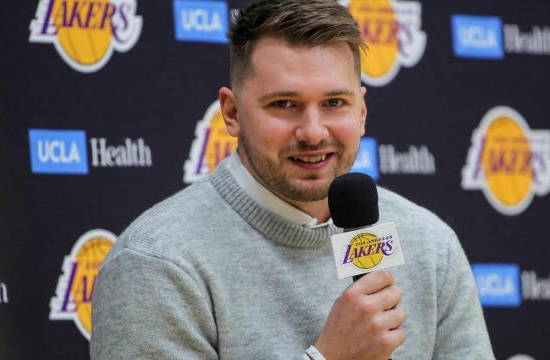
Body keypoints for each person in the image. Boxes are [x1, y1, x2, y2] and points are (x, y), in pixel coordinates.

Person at [90, 0, 495, 359]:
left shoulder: (430, 244)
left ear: (362, 113)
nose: (313, 131)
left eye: (334, 103)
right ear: (231, 113)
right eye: (284, 104)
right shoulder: (158, 262)